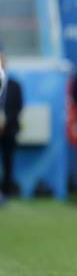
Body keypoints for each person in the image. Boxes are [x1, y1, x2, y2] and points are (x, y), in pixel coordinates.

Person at [0, 51, 23, 196]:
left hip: (9, 129)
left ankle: (7, 191)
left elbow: (18, 106)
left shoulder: (15, 85)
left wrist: (5, 121)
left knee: (8, 161)